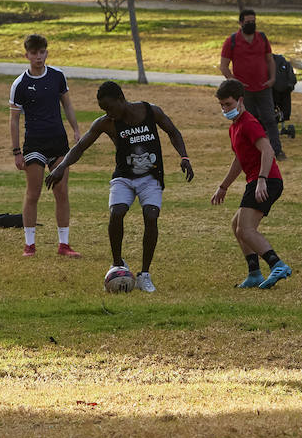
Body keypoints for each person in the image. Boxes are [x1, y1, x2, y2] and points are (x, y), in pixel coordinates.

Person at [44, 81, 193, 292]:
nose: (109, 113)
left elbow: (173, 132)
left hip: (150, 177)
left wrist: (184, 156)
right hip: (124, 177)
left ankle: (144, 274)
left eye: (110, 107)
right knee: (117, 212)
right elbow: (80, 146)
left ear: (121, 99)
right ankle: (117, 264)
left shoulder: (150, 111)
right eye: (104, 110)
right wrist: (61, 167)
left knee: (151, 216)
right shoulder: (106, 123)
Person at [212, 79, 293, 289]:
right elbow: (239, 160)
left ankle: (278, 265)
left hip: (268, 180)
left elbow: (268, 151)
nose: (224, 109)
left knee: (246, 229)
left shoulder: (249, 123)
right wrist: (223, 186)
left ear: (240, 100)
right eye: (221, 105)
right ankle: (254, 273)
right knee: (236, 226)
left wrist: (262, 180)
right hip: (256, 181)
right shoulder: (235, 127)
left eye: (228, 104)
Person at [9, 33, 81, 258]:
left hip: (58, 142)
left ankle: (64, 244)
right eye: (34, 53)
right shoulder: (20, 84)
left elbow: (67, 105)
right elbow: (14, 119)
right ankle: (29, 245)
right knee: (33, 193)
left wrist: (76, 130)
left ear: (46, 53)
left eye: (42, 52)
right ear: (26, 55)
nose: (38, 57)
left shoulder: (58, 77)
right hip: (34, 145)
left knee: (61, 191)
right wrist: (16, 152)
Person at [218, 8, 285, 159]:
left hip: (263, 88)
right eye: (248, 22)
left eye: (253, 22)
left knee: (270, 119)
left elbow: (270, 60)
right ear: (240, 23)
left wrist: (272, 79)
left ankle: (276, 151)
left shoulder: (261, 38)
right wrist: (235, 83)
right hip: (244, 92)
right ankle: (254, 153)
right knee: (249, 122)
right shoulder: (232, 41)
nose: (251, 24)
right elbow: (223, 66)